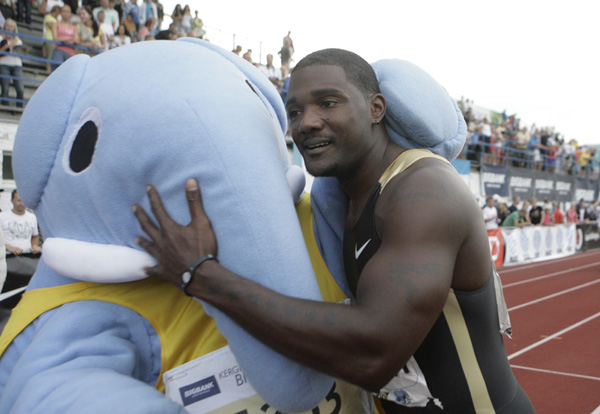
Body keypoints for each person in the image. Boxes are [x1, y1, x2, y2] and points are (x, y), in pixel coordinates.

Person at [134, 48, 534, 413]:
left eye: (328, 103)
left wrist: (200, 275)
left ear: (376, 108)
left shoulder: (423, 189)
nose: (306, 123)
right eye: (294, 112)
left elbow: (373, 352)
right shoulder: (340, 200)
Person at [0, 190, 41, 308]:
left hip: (27, 264)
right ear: (12, 200)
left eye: (23, 200)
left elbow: (35, 236)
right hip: (8, 262)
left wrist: (35, 246)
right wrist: (8, 247)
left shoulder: (32, 217)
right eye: (18, 200)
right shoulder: (2, 217)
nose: (21, 203)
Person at [0, 19, 25, 109]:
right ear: (4, 26)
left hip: (17, 64)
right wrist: (6, 46)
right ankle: (5, 107)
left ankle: (19, 108)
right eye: (7, 25)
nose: (9, 28)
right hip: (4, 63)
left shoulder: (18, 40)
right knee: (5, 88)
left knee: (20, 89)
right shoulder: (0, 38)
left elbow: (21, 54)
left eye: (11, 26)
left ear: (14, 28)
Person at [50, 5, 79, 71]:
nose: (66, 13)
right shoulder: (56, 24)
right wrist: (70, 39)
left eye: (68, 12)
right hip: (59, 50)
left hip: (71, 52)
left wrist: (69, 39)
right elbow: (55, 38)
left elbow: (76, 40)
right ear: (60, 13)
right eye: (64, 11)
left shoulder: (74, 27)